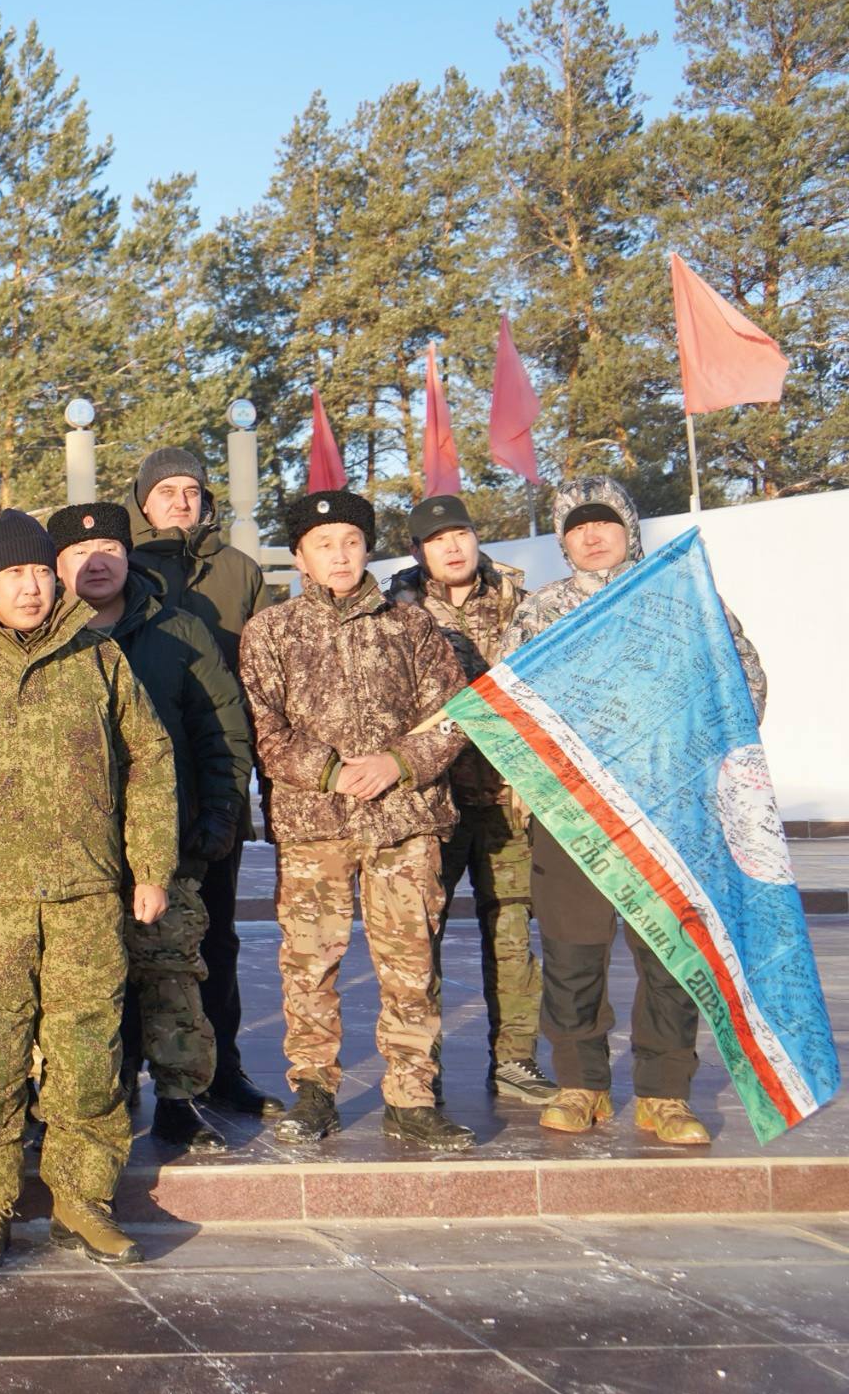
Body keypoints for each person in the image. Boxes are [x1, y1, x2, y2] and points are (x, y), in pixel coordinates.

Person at [0, 511, 178, 1268]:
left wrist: (151, 867)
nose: (31, 587)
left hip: (85, 892)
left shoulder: (99, 659)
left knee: (86, 1050)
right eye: (14, 574)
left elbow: (149, 760)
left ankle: (83, 1201)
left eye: (41, 573)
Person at [498, 477, 766, 1146]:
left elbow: (742, 683)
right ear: (562, 539)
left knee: (672, 955)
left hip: (668, 809)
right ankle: (579, 1083)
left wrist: (697, 758)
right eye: (577, 526)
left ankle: (665, 1093)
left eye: (605, 523)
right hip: (573, 812)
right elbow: (511, 699)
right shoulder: (543, 610)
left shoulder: (681, 600)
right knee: (572, 952)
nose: (592, 536)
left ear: (630, 528)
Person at [239, 490, 474, 1150]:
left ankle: (412, 1094)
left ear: (367, 548)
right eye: (323, 545)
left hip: (404, 822)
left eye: (350, 542)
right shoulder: (272, 632)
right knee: (309, 962)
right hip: (315, 823)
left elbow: (454, 713)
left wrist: (399, 761)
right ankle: (313, 1090)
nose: (339, 556)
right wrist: (331, 771)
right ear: (300, 556)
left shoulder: (412, 627)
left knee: (409, 962)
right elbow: (264, 726)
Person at [48, 502, 253, 1154]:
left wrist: (219, 814)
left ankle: (180, 1100)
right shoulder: (42, 637)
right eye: (78, 553)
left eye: (108, 548)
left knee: (173, 977)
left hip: (167, 844)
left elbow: (223, 729)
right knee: (76, 987)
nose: (96, 562)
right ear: (55, 566)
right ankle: (81, 1102)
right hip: (68, 852)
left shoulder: (179, 630)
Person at [125, 445, 285, 1121]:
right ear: (143, 501)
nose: (181, 501)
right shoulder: (117, 566)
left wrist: (234, 794)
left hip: (209, 776)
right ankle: (126, 1072)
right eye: (167, 491)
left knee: (212, 937)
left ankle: (220, 1072)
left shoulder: (238, 571)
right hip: (132, 785)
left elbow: (254, 684)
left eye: (191, 490)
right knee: (130, 940)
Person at [383, 494, 557, 1106]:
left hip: (507, 797)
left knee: (510, 927)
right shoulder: (394, 611)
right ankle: (417, 1067)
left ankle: (514, 1059)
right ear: (418, 551)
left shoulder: (521, 602)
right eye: (437, 539)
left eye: (461, 533)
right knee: (417, 935)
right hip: (431, 799)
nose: (452, 547)